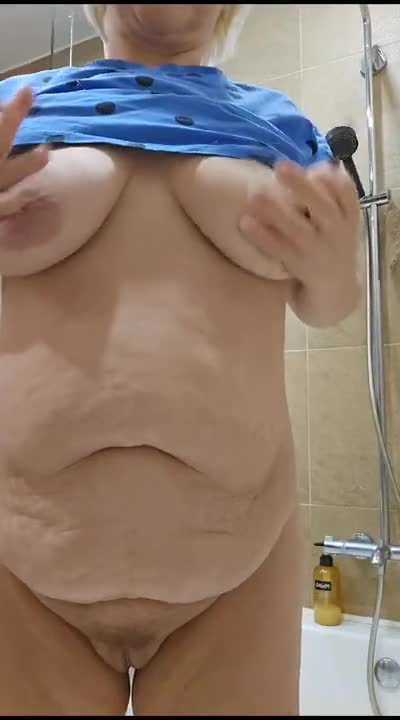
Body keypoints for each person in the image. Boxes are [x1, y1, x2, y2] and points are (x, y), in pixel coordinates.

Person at [0, 4, 361, 715]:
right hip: (20, 564)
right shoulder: (15, 110)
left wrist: (335, 274)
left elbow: (330, 304)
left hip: (238, 573)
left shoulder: (283, 128)